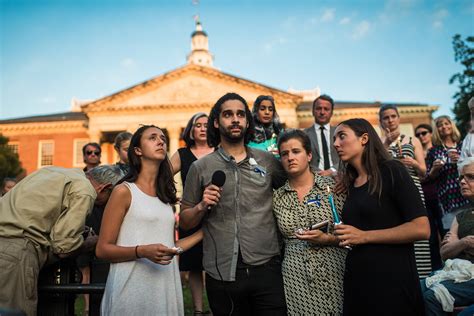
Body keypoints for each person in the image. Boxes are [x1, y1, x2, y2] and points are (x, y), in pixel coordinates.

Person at [180, 92, 287, 315]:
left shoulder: (267, 161)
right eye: (228, 115)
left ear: (248, 121)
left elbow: (296, 183)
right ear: (217, 122)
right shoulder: (200, 168)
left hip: (267, 269)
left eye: (240, 114)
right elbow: (186, 221)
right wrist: (201, 206)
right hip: (222, 274)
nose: (235, 119)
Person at [96, 125, 202, 315]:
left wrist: (205, 231)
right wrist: (142, 251)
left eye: (162, 137)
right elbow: (103, 249)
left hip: (165, 288)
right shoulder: (124, 192)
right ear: (137, 150)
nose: (161, 141)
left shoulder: (165, 198)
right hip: (130, 291)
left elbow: (171, 246)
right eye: (152, 138)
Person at [333, 118, 430, 315]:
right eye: (334, 139)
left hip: (392, 282)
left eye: (342, 136)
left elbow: (421, 228)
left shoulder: (393, 170)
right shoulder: (350, 184)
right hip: (359, 283)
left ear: (364, 139)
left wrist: (364, 236)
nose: (336, 144)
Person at [0, 165, 124, 316]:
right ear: (105, 187)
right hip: (16, 254)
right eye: (110, 200)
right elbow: (64, 247)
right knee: (14, 312)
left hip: (6, 244)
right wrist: (91, 243)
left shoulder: (52, 171)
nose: (107, 205)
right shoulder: (85, 191)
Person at [273, 129, 347, 315]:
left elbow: (354, 235)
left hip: (335, 269)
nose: (290, 157)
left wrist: (329, 239)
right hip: (296, 277)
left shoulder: (332, 187)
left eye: (296, 151)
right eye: (284, 154)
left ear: (309, 154)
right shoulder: (277, 198)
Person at [379, 104, 432, 277]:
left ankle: (423, 278)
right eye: (386, 117)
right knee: (398, 230)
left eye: (393, 116)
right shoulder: (379, 143)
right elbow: (375, 166)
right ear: (381, 121)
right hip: (390, 193)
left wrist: (414, 163)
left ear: (398, 118)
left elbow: (424, 171)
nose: (390, 120)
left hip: (414, 187)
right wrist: (386, 143)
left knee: (418, 230)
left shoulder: (412, 140)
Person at [170, 112, 214, 315]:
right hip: (191, 213)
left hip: (219, 212)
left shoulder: (221, 151)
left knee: (217, 261)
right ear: (191, 130)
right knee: (195, 265)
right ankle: (198, 309)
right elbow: (161, 177)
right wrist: (169, 195)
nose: (203, 128)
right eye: (198, 125)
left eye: (206, 124)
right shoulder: (182, 154)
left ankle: (217, 306)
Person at [421, 157, 474, 315]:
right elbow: (444, 253)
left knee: (432, 296)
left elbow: (451, 248)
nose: (462, 182)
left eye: (470, 177)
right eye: (461, 178)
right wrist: (465, 242)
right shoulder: (461, 216)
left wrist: (456, 244)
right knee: (412, 289)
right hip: (455, 271)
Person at [426, 115, 469, 233]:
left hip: (467, 195)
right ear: (436, 130)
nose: (444, 127)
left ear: (452, 125)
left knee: (470, 230)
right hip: (447, 199)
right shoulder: (433, 151)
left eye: (446, 123)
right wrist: (435, 169)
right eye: (440, 125)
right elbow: (429, 177)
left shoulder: (463, 145)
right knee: (452, 235)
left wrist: (461, 160)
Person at [415, 123, 443, 270]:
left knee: (444, 231)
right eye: (418, 134)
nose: (421, 136)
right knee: (430, 236)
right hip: (423, 198)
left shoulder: (438, 151)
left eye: (424, 133)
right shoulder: (416, 154)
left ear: (431, 133)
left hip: (439, 196)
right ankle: (436, 267)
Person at [304, 94, 340, 176]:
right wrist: (319, 172)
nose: (322, 112)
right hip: (314, 177)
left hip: (338, 176)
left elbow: (347, 156)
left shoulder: (339, 133)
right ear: (313, 111)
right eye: (318, 108)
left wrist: (331, 170)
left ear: (331, 112)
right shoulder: (304, 134)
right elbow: (303, 159)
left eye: (326, 109)